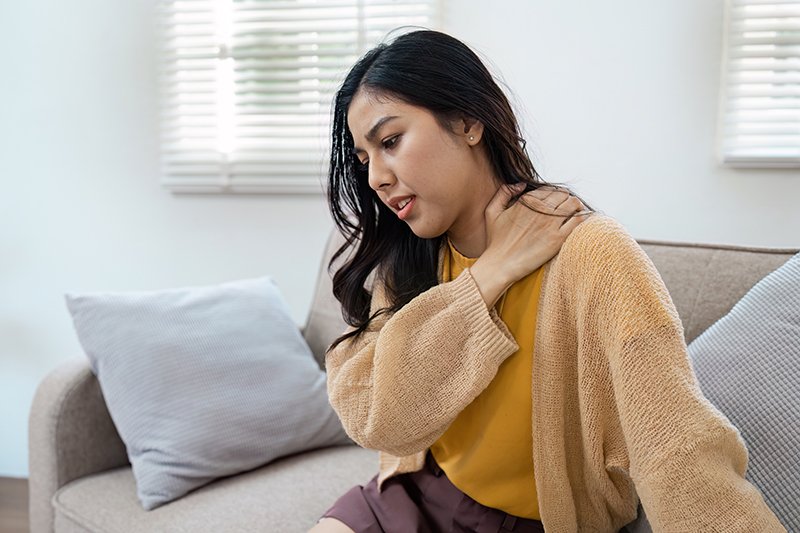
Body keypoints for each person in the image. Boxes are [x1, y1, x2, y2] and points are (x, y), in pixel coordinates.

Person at [309, 29, 784, 533]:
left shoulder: (594, 255)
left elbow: (676, 446)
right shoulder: (408, 261)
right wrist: (491, 275)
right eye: (364, 160)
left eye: (390, 142)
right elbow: (373, 418)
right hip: (414, 492)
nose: (376, 177)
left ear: (468, 121)